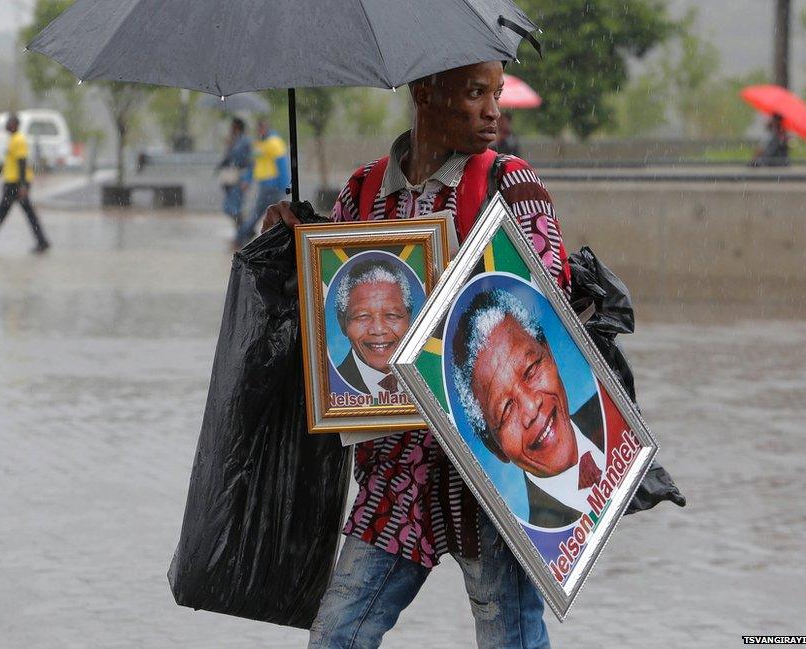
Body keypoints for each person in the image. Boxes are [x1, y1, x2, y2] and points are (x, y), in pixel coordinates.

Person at [263, 60, 569, 649]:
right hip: (396, 470)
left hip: (487, 474)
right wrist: (298, 239)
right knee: (337, 635)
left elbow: (547, 300)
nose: (492, 112)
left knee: (510, 636)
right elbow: (339, 298)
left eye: (496, 95)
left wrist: (461, 280)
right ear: (425, 92)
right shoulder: (364, 190)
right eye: (476, 93)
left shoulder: (512, 186)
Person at [452, 288, 606, 529]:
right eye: (505, 410)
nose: (531, 408)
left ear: (550, 354)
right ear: (495, 448)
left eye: (531, 370)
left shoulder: (615, 415)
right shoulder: (538, 544)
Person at [333, 259, 413, 396]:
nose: (378, 329)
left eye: (391, 315)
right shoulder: (329, 389)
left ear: (409, 319)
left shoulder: (432, 378)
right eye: (362, 316)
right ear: (342, 323)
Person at [0, 113, 50, 254]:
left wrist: (22, 186)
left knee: (2, 215)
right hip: (13, 183)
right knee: (27, 215)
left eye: (9, 123)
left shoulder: (19, 140)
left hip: (16, 185)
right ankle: (42, 241)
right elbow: (7, 164)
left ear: (15, 125)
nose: (6, 125)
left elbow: (22, 163)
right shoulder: (13, 140)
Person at [234, 119, 289, 248]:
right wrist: (247, 179)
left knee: (264, 213)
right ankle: (244, 236)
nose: (260, 131)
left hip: (273, 184)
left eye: (262, 128)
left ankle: (242, 236)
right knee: (264, 213)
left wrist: (284, 186)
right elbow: (254, 164)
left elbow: (282, 166)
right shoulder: (258, 144)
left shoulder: (274, 143)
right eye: (258, 129)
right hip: (264, 185)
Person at [216, 118, 253, 241]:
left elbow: (250, 162)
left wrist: (247, 180)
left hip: (240, 177)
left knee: (234, 208)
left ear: (237, 127)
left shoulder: (246, 141)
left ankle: (243, 232)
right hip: (230, 178)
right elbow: (227, 159)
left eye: (233, 127)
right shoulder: (233, 141)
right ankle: (244, 231)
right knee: (229, 208)